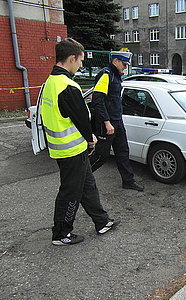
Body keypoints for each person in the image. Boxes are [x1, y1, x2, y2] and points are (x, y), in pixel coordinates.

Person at [40, 38, 119, 246]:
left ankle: (102, 222)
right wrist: (91, 139)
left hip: (67, 148)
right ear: (72, 58)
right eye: (80, 61)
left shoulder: (51, 82)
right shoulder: (67, 85)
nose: (81, 65)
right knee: (70, 192)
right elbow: (82, 120)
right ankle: (61, 233)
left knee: (87, 186)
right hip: (71, 150)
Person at [90, 51, 144, 191]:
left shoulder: (115, 76)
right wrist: (107, 122)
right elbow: (98, 100)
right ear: (115, 61)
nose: (125, 67)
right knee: (101, 155)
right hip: (106, 122)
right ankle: (81, 178)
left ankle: (128, 181)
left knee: (123, 151)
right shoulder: (106, 74)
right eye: (124, 64)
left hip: (117, 120)